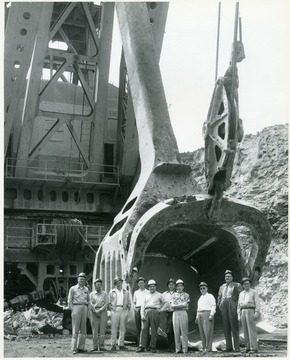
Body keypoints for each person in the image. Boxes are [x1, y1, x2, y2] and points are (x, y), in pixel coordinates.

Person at [217, 270, 242, 352]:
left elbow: (240, 296)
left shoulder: (237, 285)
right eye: (226, 276)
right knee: (226, 327)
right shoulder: (222, 286)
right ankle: (229, 347)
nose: (227, 278)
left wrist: (237, 306)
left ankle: (237, 347)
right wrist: (219, 305)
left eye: (229, 276)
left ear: (232, 277)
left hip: (232, 304)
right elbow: (219, 297)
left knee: (234, 326)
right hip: (224, 305)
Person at [137, 279, 164, 353]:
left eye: (153, 286)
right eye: (150, 286)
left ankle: (153, 346)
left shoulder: (159, 295)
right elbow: (142, 306)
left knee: (154, 329)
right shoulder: (145, 295)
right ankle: (142, 346)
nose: (152, 288)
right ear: (148, 287)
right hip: (146, 311)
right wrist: (142, 314)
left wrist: (161, 309)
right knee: (144, 329)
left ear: (155, 287)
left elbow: (165, 303)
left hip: (155, 311)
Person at [67, 272, 90, 355]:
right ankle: (74, 348)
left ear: (85, 281)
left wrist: (88, 310)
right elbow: (69, 301)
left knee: (83, 329)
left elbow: (89, 300)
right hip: (76, 307)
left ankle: (81, 347)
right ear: (78, 279)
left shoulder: (86, 289)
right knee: (75, 329)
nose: (82, 281)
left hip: (84, 307)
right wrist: (73, 309)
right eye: (80, 279)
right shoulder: (73, 289)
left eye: (83, 279)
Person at [237, 277, 261, 354]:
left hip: (250, 310)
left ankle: (253, 348)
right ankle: (247, 347)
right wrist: (238, 315)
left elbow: (257, 302)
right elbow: (238, 305)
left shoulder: (254, 292)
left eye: (247, 283)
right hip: (243, 311)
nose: (246, 285)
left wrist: (256, 312)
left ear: (250, 284)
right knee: (245, 330)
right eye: (244, 284)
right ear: (242, 285)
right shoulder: (241, 293)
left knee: (251, 330)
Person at [108, 276, 131, 351]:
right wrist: (111, 309)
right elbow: (109, 303)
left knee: (122, 328)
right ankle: (113, 344)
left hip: (123, 310)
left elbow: (129, 302)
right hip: (115, 310)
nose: (118, 284)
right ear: (115, 284)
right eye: (117, 283)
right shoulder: (112, 292)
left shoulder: (126, 292)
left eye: (120, 282)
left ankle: (121, 344)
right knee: (114, 328)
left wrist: (127, 309)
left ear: (122, 283)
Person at [195, 282, 216, 353]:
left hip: (207, 314)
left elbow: (213, 305)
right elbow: (198, 308)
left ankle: (208, 348)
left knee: (207, 331)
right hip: (200, 314)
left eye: (204, 288)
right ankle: (204, 347)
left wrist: (212, 314)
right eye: (201, 288)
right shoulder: (200, 298)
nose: (202, 290)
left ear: (207, 288)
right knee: (202, 332)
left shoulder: (210, 296)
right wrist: (197, 317)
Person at [171, 279, 190, 354]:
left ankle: (185, 348)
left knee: (184, 330)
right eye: (178, 286)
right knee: (176, 331)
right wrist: (181, 305)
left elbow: (186, 305)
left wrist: (177, 306)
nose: (179, 287)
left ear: (183, 287)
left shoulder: (186, 295)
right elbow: (172, 306)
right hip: (175, 313)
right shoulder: (173, 295)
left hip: (183, 313)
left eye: (181, 286)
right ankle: (178, 349)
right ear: (176, 287)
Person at [89, 278, 108, 351]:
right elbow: (90, 303)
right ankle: (94, 346)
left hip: (103, 311)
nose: (99, 286)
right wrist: (95, 311)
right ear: (94, 285)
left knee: (102, 330)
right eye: (97, 285)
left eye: (100, 284)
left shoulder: (105, 293)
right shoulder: (91, 294)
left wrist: (100, 310)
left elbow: (106, 303)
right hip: (94, 312)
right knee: (95, 330)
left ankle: (102, 346)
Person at [133, 276, 149, 348]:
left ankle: (146, 343)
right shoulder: (136, 292)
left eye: (142, 283)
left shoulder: (148, 292)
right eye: (139, 283)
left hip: (145, 309)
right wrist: (135, 309)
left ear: (145, 284)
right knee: (138, 327)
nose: (140, 284)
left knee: (145, 327)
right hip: (137, 309)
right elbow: (134, 302)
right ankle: (139, 343)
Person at [161, 278, 176, 352]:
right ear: (168, 286)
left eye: (172, 284)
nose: (171, 286)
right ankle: (169, 346)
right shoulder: (164, 294)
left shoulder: (177, 293)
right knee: (168, 330)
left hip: (175, 313)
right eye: (170, 284)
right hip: (167, 313)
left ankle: (173, 347)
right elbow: (162, 303)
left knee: (174, 330)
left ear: (175, 286)